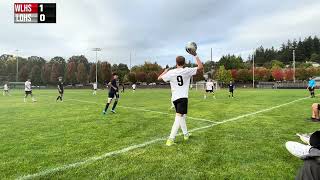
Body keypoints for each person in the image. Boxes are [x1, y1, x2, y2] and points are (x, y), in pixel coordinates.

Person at [158, 52, 203, 146]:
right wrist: (195, 55)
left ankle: (186, 134)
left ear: (176, 62)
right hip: (182, 98)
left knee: (182, 117)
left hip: (174, 99)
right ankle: (170, 139)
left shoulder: (171, 72)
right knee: (178, 118)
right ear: (184, 62)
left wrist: (165, 71)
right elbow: (200, 67)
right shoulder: (186, 70)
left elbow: (159, 78)